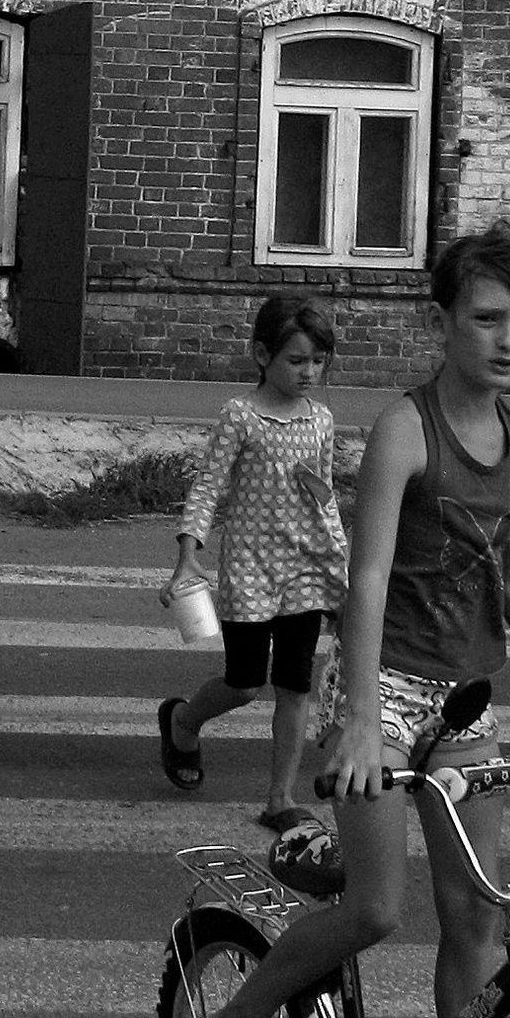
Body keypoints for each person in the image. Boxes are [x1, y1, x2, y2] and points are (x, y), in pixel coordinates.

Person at [193, 225, 510, 1018]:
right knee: (378, 911)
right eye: (487, 318)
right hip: (379, 686)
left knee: (480, 924)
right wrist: (366, 719)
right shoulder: (406, 429)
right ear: (445, 320)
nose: (508, 341)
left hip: (464, 704)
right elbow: (365, 581)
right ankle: (240, 1017)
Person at [157, 295, 350, 834]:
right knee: (244, 683)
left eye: (318, 361)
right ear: (262, 355)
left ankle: (279, 798)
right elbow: (208, 487)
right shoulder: (239, 416)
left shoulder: (322, 420)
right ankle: (182, 721)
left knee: (295, 685)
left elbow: (324, 498)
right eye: (297, 360)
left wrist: (342, 575)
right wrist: (187, 555)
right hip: (248, 570)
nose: (309, 371)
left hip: (306, 571)